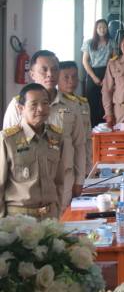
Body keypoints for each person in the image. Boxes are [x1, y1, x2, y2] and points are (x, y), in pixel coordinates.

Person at [2, 52, 86, 209]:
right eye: (44, 70)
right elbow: (6, 148)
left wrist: (80, 179)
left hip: (63, 182)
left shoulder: (71, 105)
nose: (50, 74)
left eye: (55, 69)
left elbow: (79, 144)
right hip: (27, 185)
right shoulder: (17, 106)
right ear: (32, 74)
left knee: (61, 228)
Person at [0, 84, 66, 219]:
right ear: (20, 108)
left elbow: (59, 181)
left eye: (45, 103)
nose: (41, 109)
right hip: (17, 219)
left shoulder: (56, 137)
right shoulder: (7, 140)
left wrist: (57, 211)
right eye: (34, 104)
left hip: (49, 216)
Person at [58, 60, 92, 175]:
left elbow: (87, 138)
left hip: (80, 162)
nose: (71, 81)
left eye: (74, 76)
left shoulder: (83, 103)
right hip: (61, 163)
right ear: (57, 79)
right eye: (66, 77)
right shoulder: (52, 104)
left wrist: (89, 166)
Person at [81, 18, 112, 126]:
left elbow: (114, 61)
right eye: (99, 27)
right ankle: (92, 129)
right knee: (92, 102)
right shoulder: (89, 43)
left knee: (105, 103)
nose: (102, 29)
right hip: (92, 73)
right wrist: (94, 77)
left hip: (107, 72)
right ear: (96, 29)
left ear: (107, 28)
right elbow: (85, 61)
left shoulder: (111, 42)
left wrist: (107, 77)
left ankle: (105, 128)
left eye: (104, 27)